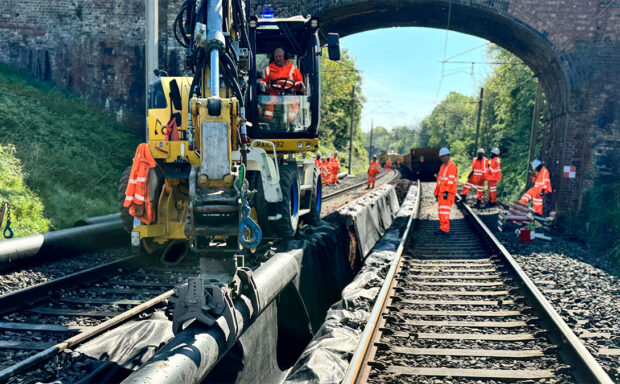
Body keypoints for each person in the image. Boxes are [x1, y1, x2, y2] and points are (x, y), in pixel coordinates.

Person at [259, 48, 305, 122]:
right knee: (269, 101)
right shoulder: (268, 70)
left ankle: (292, 121)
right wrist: (265, 86)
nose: (277, 58)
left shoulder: (293, 69)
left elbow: (299, 84)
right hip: (273, 94)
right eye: (276, 57)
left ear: (284, 57)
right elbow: (262, 82)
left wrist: (301, 89)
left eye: (280, 56)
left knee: (294, 101)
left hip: (289, 94)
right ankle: (268, 120)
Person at [434, 147, 458, 235]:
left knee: (444, 212)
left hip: (447, 193)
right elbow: (439, 180)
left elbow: (450, 181)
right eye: (442, 157)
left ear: (448, 156)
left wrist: (447, 192)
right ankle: (443, 227)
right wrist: (436, 193)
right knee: (442, 212)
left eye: (445, 156)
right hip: (442, 193)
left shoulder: (452, 166)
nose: (443, 158)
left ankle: (445, 229)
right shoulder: (443, 166)